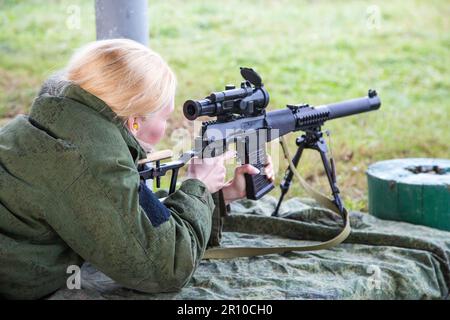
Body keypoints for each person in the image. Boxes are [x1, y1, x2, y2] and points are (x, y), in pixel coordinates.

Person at [0, 39, 274, 299]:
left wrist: (218, 195)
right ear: (134, 120)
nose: (165, 128)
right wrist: (197, 186)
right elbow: (165, 267)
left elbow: (124, 214)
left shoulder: (53, 126)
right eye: (164, 117)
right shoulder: (90, 162)